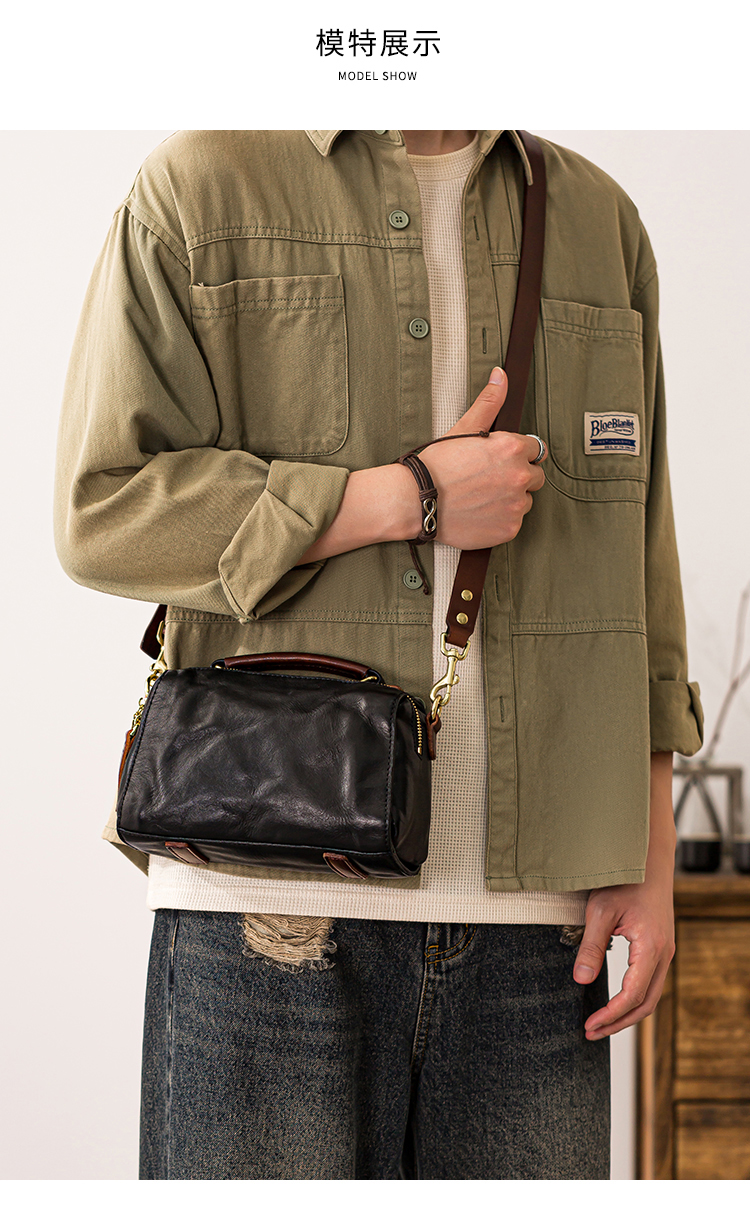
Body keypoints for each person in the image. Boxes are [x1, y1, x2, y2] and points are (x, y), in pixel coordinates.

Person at [53, 129, 703, 1180]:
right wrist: (404, 497)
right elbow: (105, 509)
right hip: (266, 907)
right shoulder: (201, 190)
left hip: (540, 930)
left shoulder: (596, 218)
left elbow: (639, 552)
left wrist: (652, 842)